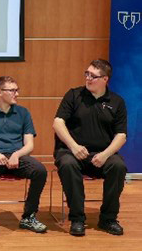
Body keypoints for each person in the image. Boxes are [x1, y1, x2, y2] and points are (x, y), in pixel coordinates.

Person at [53, 59, 127, 236]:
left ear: (105, 79)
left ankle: (108, 218)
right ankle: (77, 218)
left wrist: (105, 154)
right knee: (68, 164)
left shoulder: (117, 102)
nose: (88, 78)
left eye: (93, 76)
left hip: (102, 154)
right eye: (87, 74)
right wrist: (73, 146)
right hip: (73, 151)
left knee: (118, 166)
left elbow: (121, 135)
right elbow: (58, 122)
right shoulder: (73, 95)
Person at [0, 76, 47, 233]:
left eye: (17, 90)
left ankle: (28, 217)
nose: (17, 94)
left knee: (40, 170)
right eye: (12, 90)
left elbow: (29, 145)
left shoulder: (23, 113)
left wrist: (17, 154)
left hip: (17, 156)